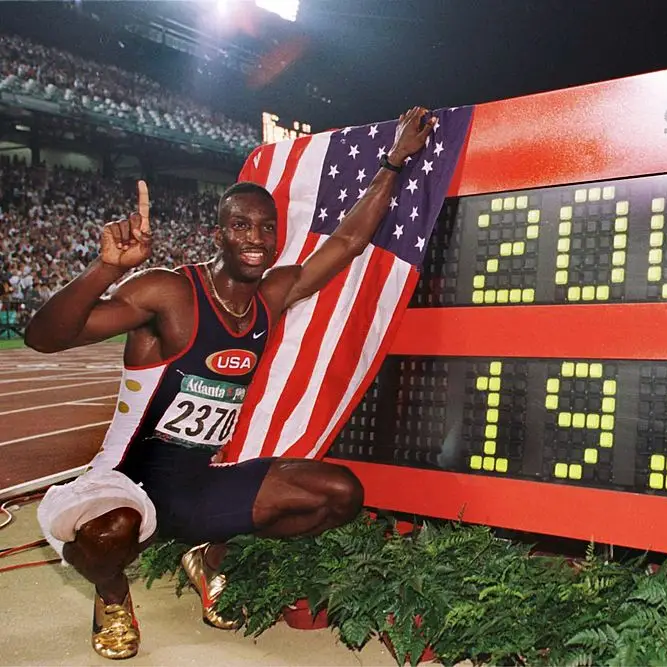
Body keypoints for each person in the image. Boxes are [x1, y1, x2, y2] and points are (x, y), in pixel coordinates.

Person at [26, 107, 436, 660]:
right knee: (111, 531)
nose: (257, 238)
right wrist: (106, 270)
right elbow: (44, 338)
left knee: (340, 494)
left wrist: (393, 161)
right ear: (217, 233)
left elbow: (346, 243)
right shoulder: (170, 293)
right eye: (242, 225)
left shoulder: (271, 297)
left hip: (197, 486)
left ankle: (207, 553)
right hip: (126, 484)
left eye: (268, 227)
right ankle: (112, 594)